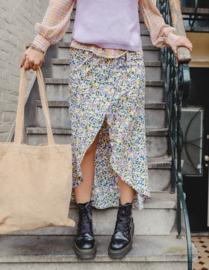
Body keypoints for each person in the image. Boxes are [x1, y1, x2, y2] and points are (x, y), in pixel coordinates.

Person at [21, 0, 193, 260]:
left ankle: (125, 219)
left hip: (128, 62)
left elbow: (150, 11)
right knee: (85, 140)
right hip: (85, 59)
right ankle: (85, 219)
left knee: (125, 140)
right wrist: (40, 43)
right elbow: (61, 4)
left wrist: (171, 37)